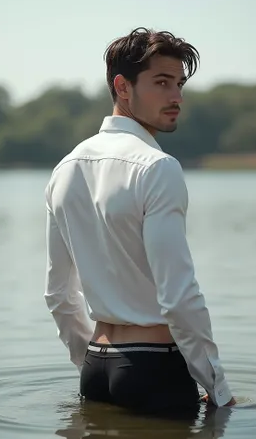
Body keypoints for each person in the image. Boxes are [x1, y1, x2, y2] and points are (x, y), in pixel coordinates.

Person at [44, 27, 235, 413]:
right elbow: (179, 297)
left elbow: (58, 295)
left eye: (180, 84)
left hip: (96, 366)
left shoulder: (65, 168)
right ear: (123, 86)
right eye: (162, 82)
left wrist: (90, 360)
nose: (176, 97)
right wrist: (219, 389)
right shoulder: (158, 168)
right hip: (153, 366)